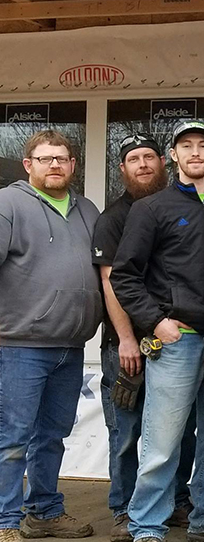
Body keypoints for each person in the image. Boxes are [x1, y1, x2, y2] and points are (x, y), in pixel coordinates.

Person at [111, 121, 204, 542]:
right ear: (173, 156)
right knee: (162, 443)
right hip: (177, 342)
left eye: (203, 146)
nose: (195, 153)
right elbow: (124, 276)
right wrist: (156, 322)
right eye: (186, 146)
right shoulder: (151, 209)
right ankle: (147, 526)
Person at [91, 134, 197, 542]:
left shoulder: (176, 207)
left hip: (173, 342)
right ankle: (124, 509)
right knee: (127, 432)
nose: (143, 165)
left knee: (178, 430)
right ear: (122, 168)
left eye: (149, 157)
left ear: (162, 162)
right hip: (130, 345)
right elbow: (111, 282)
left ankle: (176, 501)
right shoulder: (113, 218)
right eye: (133, 159)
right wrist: (126, 340)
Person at [0, 130, 103, 542]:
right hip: (19, 346)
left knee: (52, 437)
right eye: (45, 159)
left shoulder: (88, 209)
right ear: (29, 165)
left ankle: (44, 512)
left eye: (62, 158)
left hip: (71, 346)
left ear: (73, 165)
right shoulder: (8, 204)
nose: (55, 165)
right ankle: (5, 522)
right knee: (12, 439)